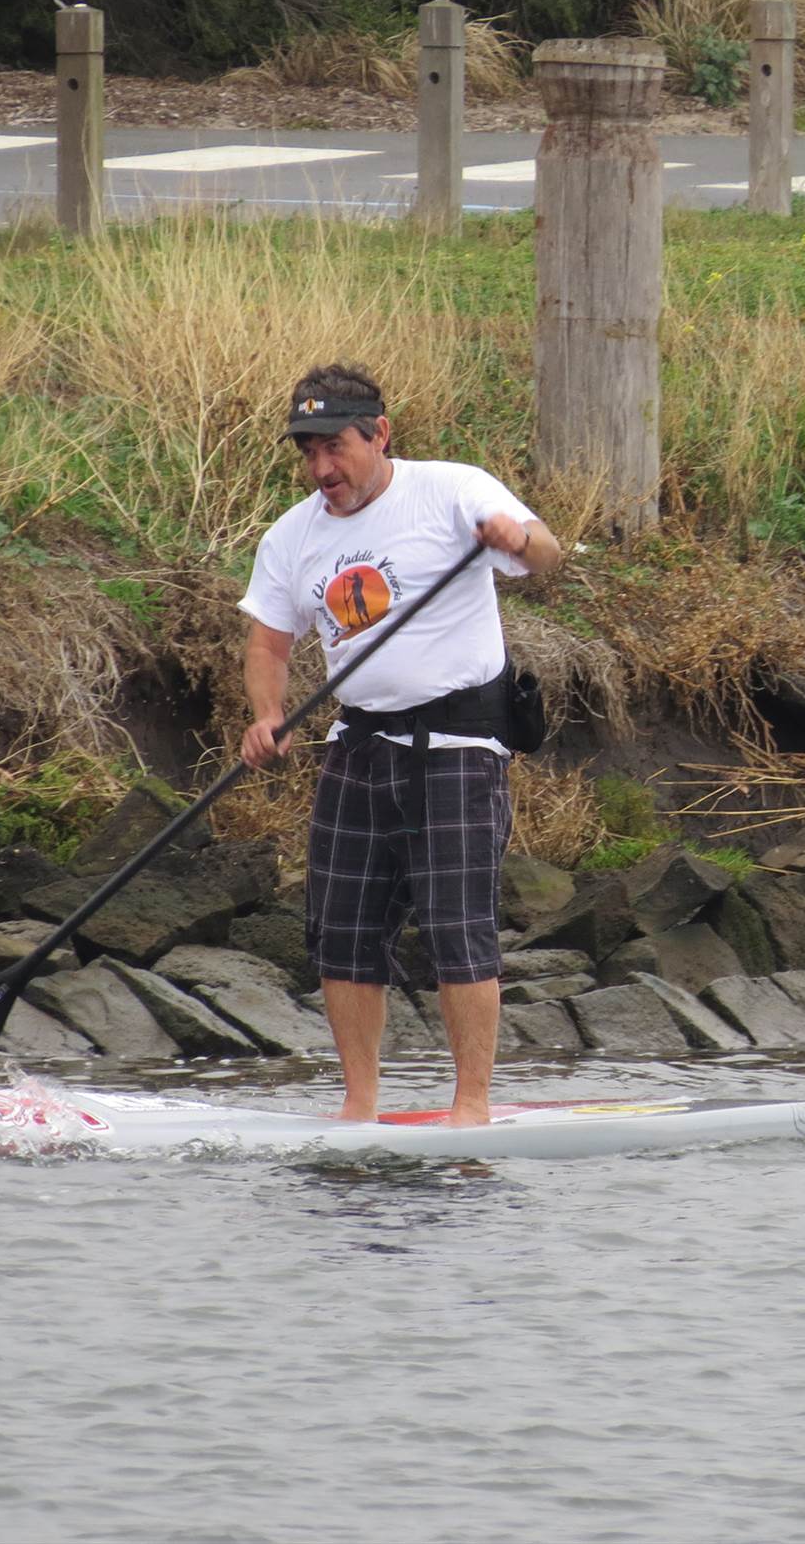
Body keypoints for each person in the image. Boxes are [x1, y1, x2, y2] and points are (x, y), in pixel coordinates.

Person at [237, 363, 563, 1127]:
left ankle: (471, 1107)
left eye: (336, 448)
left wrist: (517, 536)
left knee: (456, 928)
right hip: (358, 744)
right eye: (307, 452)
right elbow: (269, 643)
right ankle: (359, 1106)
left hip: (458, 743)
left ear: (379, 434)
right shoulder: (291, 536)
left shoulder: (451, 489)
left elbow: (545, 553)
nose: (322, 468)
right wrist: (267, 715)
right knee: (342, 931)